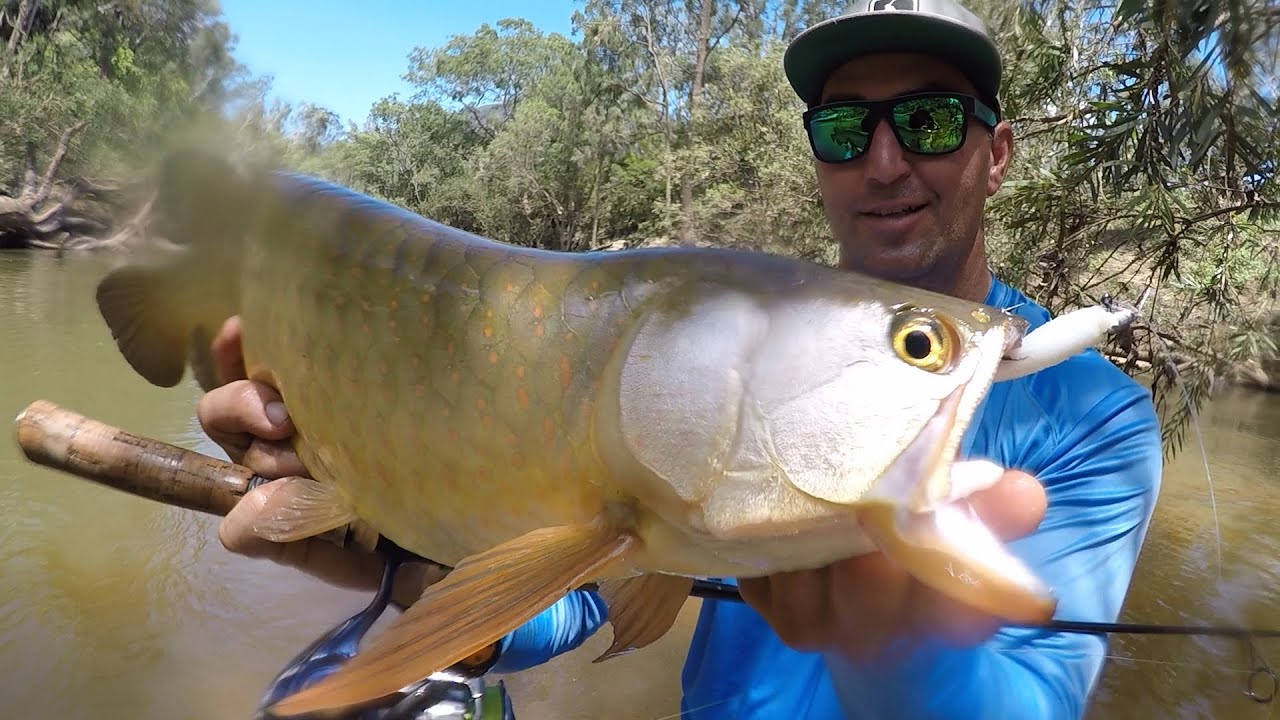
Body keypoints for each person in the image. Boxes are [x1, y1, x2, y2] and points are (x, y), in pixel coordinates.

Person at [198, 1, 1164, 717]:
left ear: (997, 155)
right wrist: (406, 566)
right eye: (843, 128)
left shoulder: (1092, 415)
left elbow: (1038, 699)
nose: (882, 161)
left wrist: (889, 643)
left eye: (930, 121)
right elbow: (582, 605)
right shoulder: (738, 353)